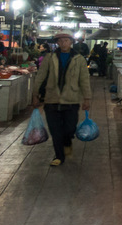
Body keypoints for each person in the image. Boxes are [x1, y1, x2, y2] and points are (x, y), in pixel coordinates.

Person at [32, 32, 92, 167]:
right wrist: (35, 94)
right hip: (51, 99)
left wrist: (87, 98)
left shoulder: (79, 59)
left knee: (69, 128)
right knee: (55, 130)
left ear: (71, 42)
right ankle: (59, 156)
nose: (63, 43)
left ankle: (67, 143)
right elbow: (41, 76)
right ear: (57, 43)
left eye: (66, 40)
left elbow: (84, 80)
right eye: (61, 41)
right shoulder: (49, 58)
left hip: (71, 99)